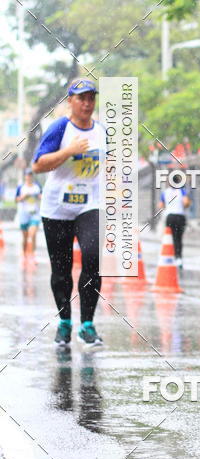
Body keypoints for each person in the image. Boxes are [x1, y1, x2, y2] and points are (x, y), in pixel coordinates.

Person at [32, 79, 105, 347]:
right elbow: (39, 165)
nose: (86, 103)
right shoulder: (60, 128)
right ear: (70, 102)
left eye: (90, 98)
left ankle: (87, 325)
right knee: (61, 269)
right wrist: (69, 151)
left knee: (94, 257)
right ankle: (65, 322)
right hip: (57, 207)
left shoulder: (102, 132)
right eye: (81, 98)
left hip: (90, 205)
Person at [158, 174, 190, 267]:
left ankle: (168, 257)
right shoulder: (181, 191)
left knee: (169, 238)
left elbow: (160, 205)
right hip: (180, 216)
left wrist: (167, 207)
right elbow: (186, 202)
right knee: (178, 238)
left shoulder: (165, 192)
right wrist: (185, 206)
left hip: (170, 217)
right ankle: (178, 258)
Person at [15, 167, 42, 255]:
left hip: (34, 213)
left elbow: (42, 196)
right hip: (24, 214)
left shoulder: (37, 186)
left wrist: (38, 196)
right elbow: (16, 199)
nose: (29, 177)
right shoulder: (21, 187)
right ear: (25, 176)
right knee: (25, 236)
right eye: (27, 175)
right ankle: (24, 253)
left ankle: (33, 254)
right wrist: (23, 197)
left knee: (32, 233)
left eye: (30, 175)